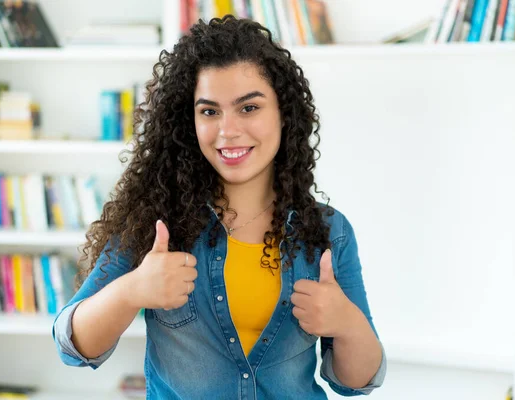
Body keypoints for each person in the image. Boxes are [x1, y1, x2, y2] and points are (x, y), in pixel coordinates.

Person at [52, 15, 386, 399]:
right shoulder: (155, 220)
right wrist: (132, 291)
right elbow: (72, 345)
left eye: (249, 108)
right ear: (188, 121)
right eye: (209, 111)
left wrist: (346, 323)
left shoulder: (330, 232)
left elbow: (358, 382)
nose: (228, 130)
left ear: (284, 113)